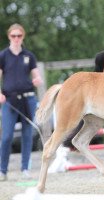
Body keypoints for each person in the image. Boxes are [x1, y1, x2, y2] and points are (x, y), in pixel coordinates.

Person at [0, 23, 43, 181]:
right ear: (9, 36)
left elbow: (36, 75)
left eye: (19, 36)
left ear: (23, 36)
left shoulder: (29, 56)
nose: (16, 38)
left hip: (28, 99)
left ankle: (25, 168)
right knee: (6, 136)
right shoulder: (3, 56)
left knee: (27, 135)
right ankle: (2, 170)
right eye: (13, 36)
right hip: (10, 101)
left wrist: (37, 79)